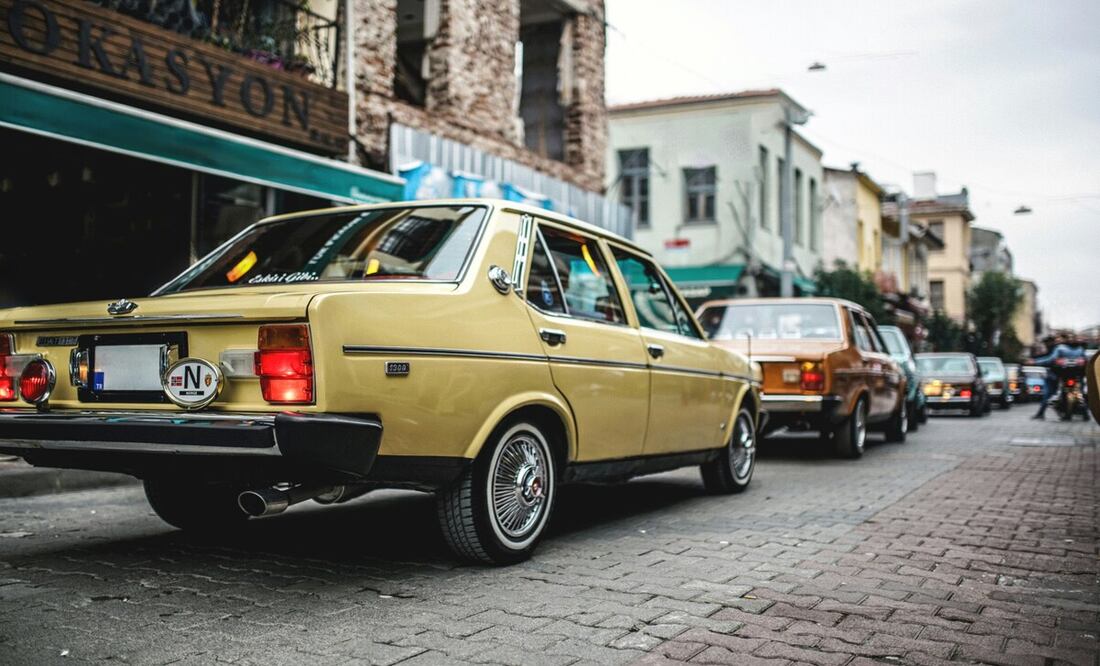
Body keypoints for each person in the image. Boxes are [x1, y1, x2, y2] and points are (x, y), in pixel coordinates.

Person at [1030, 336, 1086, 419]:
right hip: (1076, 376)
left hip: (1060, 375)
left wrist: (1035, 362)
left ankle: (1041, 413)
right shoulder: (1080, 349)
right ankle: (1085, 414)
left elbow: (1050, 359)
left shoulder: (1060, 348)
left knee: (1049, 393)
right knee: (1080, 393)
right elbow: (1086, 360)